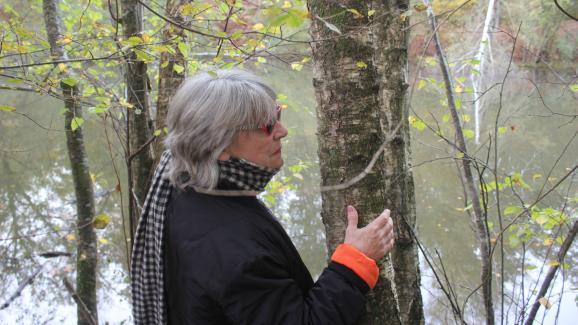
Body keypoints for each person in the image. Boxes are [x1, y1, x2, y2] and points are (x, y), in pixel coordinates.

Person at [131, 69, 395, 325]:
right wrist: (354, 264)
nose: (282, 131)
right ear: (218, 145)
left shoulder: (182, 188)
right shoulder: (236, 251)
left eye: (277, 114)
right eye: (267, 125)